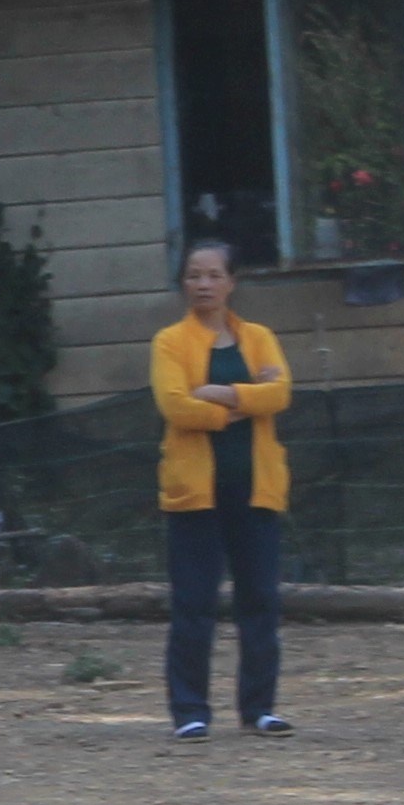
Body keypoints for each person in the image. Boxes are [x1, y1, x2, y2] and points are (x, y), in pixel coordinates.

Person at [151, 238, 296, 741]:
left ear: (232, 282)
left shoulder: (257, 337)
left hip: (255, 489)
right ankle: (189, 710)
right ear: (183, 283)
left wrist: (221, 393)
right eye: (194, 275)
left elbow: (280, 392)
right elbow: (175, 406)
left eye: (213, 275)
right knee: (194, 603)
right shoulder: (170, 342)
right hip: (195, 495)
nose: (203, 285)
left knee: (260, 600)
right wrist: (238, 407)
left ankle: (259, 708)